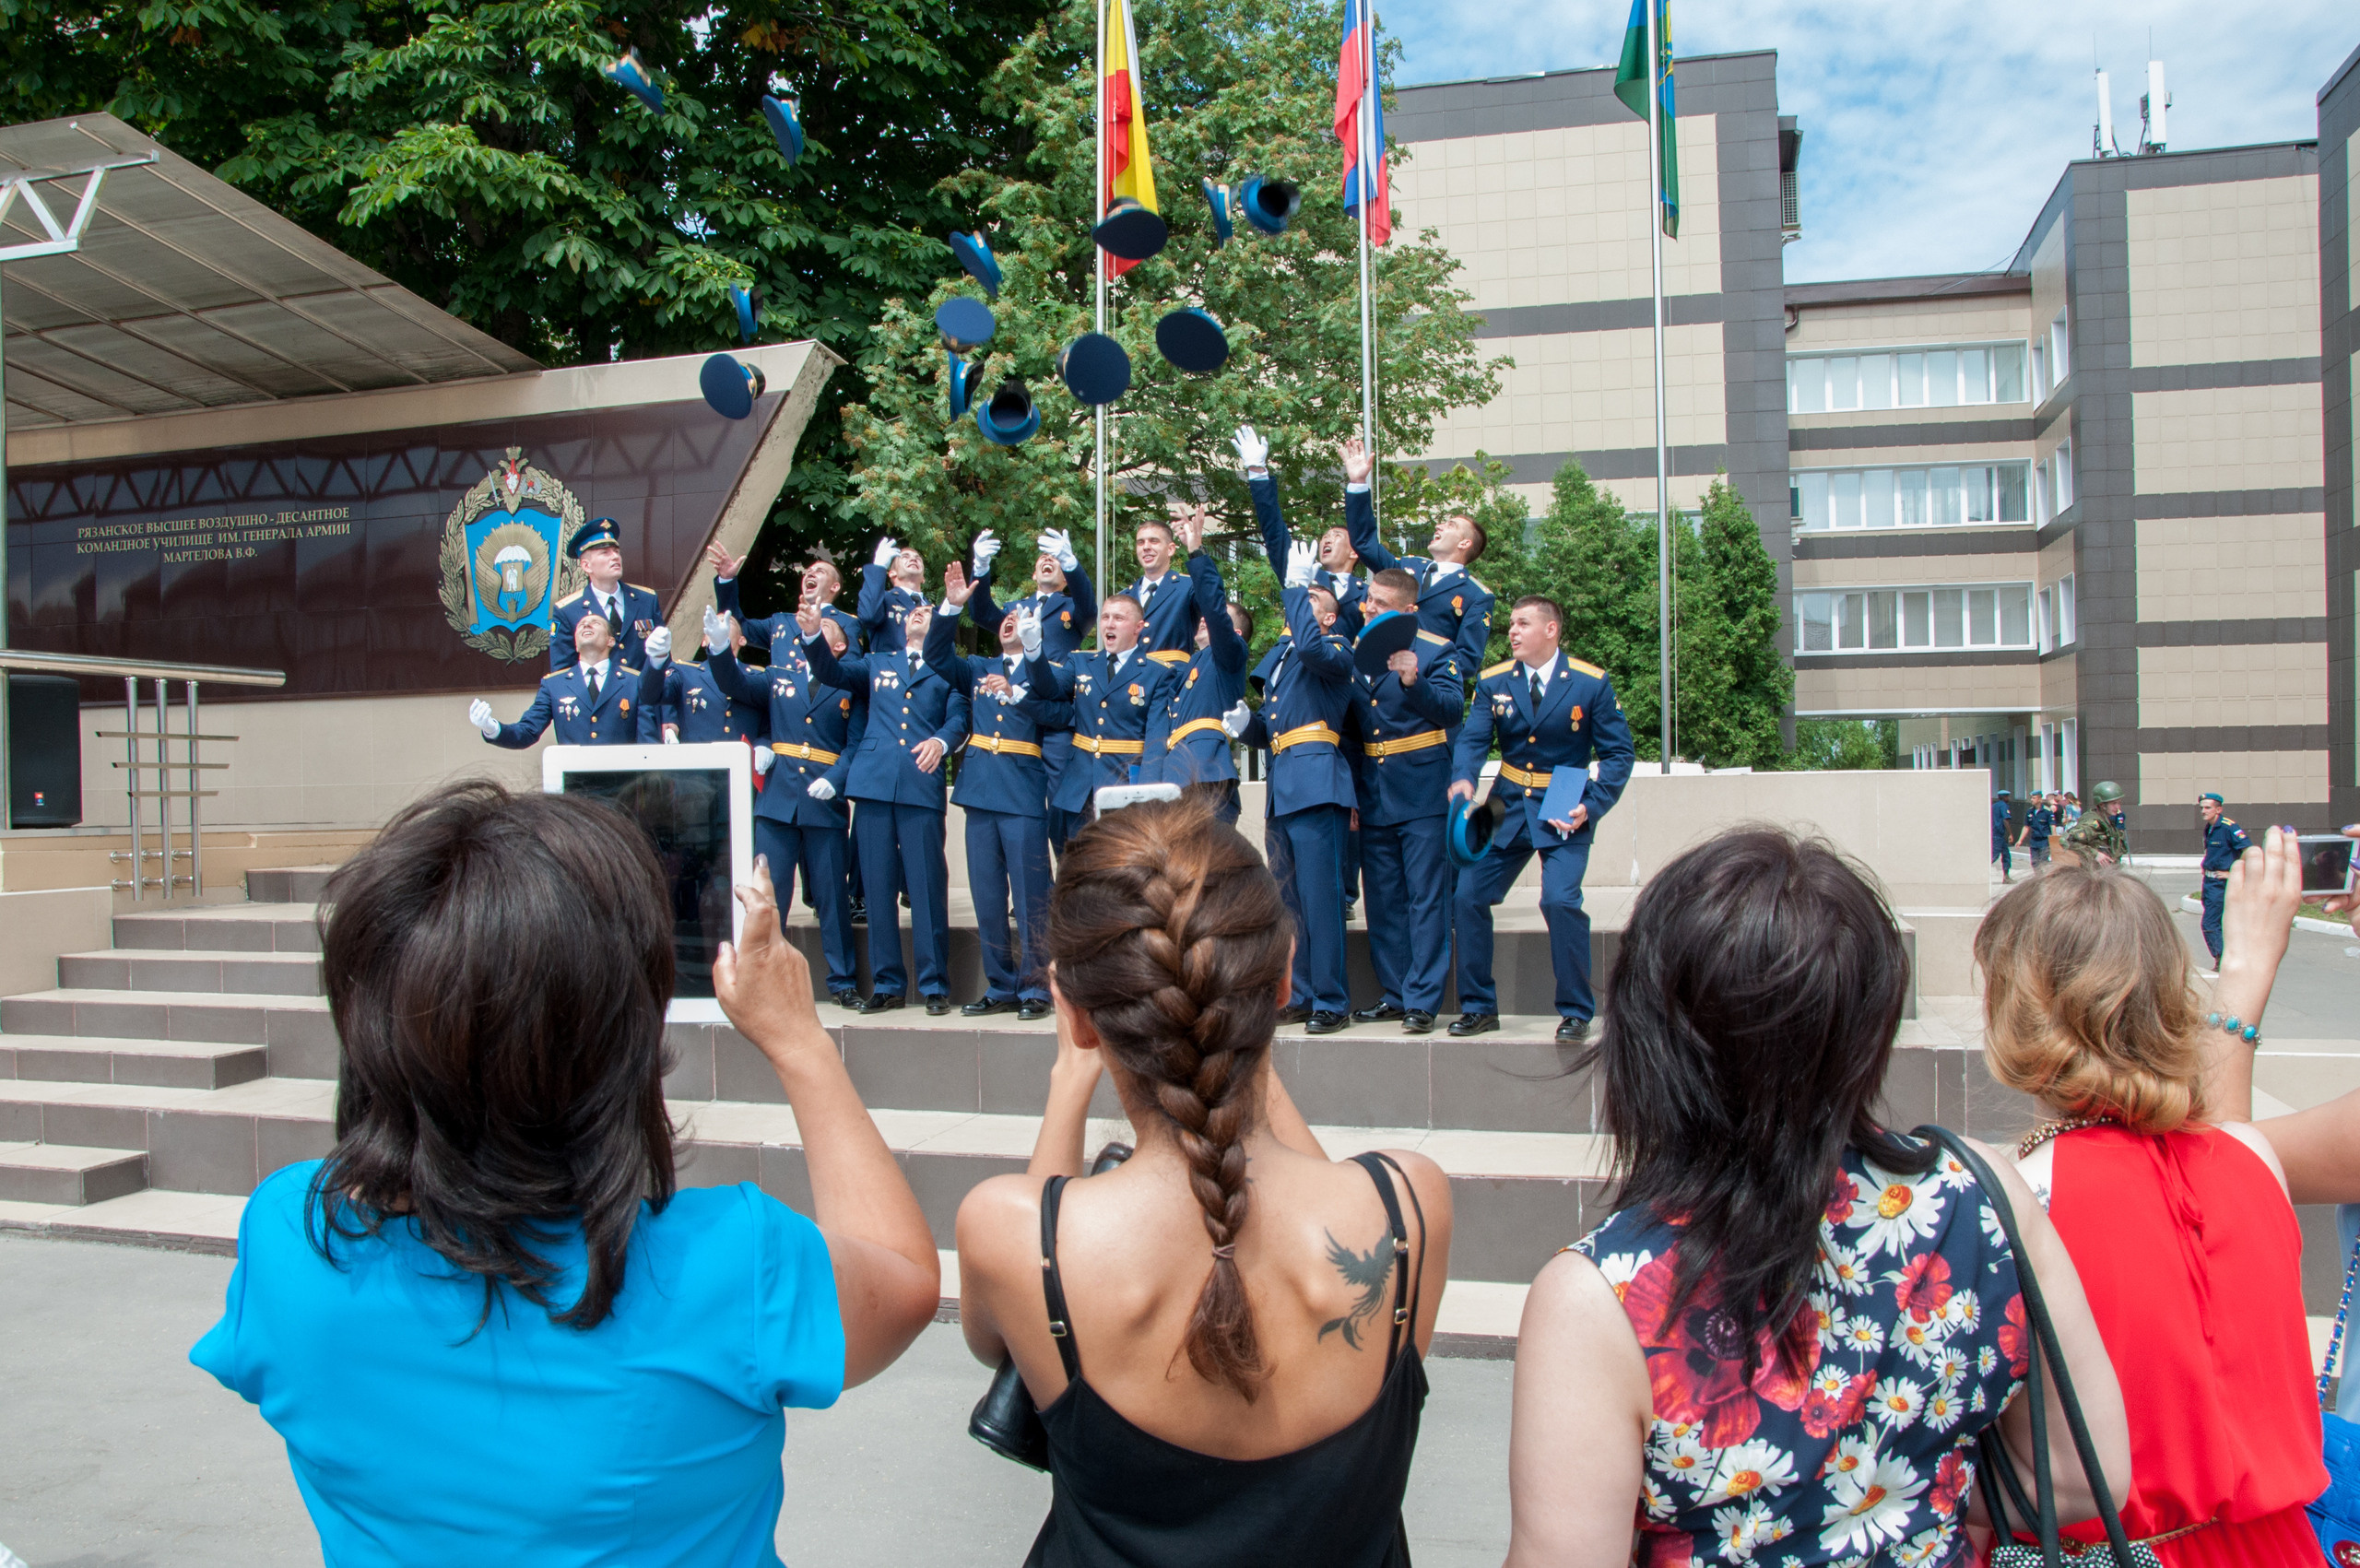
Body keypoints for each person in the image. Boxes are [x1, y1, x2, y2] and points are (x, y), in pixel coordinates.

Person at [190, 782, 938, 1564]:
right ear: (621, 1038)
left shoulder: (291, 1237)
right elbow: (904, 1279)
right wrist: (800, 1041)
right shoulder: (727, 1263)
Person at [1504, 828, 2129, 1568]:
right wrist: (1894, 1493)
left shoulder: (1601, 1296)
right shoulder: (1984, 1198)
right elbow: (2083, 1476)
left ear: (1654, 1041)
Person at [954, 796, 1454, 1568]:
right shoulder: (1408, 1205)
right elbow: (1322, 1193)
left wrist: (1070, 1073)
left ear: (1079, 1014)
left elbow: (1008, 1332)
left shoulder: (1007, 1230)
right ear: (1285, 977)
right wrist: (1236, 1033)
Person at [1977, 831, 2327, 1568]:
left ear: (2017, 1017)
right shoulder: (2250, 1157)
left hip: (2115, 1551)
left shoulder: (2021, 1192)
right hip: (2280, 1545)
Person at [1449, 596, 1634, 1043]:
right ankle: (1478, 1007)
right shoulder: (1493, 681)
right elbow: (1473, 740)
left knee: (1559, 901)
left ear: (1551, 630)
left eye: (1523, 623)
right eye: (1511, 624)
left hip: (1565, 796)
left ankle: (1575, 1010)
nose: (1511, 631)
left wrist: (1592, 804)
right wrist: (1463, 780)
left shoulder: (1590, 683)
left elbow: (1618, 754)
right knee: (1467, 896)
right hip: (1506, 800)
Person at [1238, 454, 1361, 1034]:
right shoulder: (1285, 662)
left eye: (1312, 599)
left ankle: (1332, 999)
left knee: (1320, 900)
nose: (1300, 602)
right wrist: (1246, 724)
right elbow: (1274, 729)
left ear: (1330, 616)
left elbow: (1311, 646)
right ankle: (1302, 993)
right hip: (1285, 782)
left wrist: (1298, 598)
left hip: (1318, 781)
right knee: (1287, 903)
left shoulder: (1336, 650)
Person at [800, 599, 971, 1015]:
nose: (917, 613)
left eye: (928, 611)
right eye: (912, 610)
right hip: (874, 783)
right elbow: (832, 672)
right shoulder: (878, 663)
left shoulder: (949, 667)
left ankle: (933, 986)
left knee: (927, 885)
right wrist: (811, 638)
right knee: (877, 889)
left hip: (918, 781)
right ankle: (888, 983)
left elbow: (960, 717)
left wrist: (941, 742)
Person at [926, 563, 1067, 1020]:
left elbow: (1060, 710)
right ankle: (1001, 985)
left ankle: (1035, 988)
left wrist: (1022, 680)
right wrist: (950, 608)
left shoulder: (1045, 671)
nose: (1011, 617)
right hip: (981, 792)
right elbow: (935, 656)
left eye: (1022, 615)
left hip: (1023, 792)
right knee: (987, 900)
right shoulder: (977, 668)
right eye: (1006, 615)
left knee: (1031, 898)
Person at [707, 607, 866, 1008]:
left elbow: (855, 744)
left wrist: (838, 778)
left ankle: (842, 979)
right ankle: (758, 980)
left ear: (840, 645)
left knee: (831, 898)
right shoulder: (779, 675)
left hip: (823, 802)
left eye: (826, 627)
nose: (810, 628)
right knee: (766, 897)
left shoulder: (849, 686)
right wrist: (722, 648)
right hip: (778, 801)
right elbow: (735, 683)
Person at [1345, 569, 1464, 1035]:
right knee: (1383, 900)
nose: (1370, 607)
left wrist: (1417, 683)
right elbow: (1354, 735)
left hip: (1422, 791)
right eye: (1369, 600)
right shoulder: (1356, 655)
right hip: (1374, 793)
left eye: (1381, 603)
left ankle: (1422, 999)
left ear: (1409, 611)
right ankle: (1395, 993)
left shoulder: (1436, 649)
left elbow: (1453, 710)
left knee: (1426, 898)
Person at [969, 526, 1098, 859]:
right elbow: (981, 613)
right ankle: (1034, 885)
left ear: (1065, 577)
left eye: (1054, 559)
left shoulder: (1072, 605)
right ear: (1032, 573)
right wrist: (980, 568)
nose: (1047, 560)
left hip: (1053, 707)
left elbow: (1089, 606)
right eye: (1043, 557)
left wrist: (1071, 562)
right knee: (1017, 801)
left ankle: (1068, 874)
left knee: (1059, 803)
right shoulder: (1016, 607)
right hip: (1015, 708)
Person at [1324, 433, 1494, 674]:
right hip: (1378, 677)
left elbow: (1467, 660)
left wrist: (1419, 672)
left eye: (1451, 525)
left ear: (1465, 543)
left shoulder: (1476, 595)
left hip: (1423, 689)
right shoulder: (1408, 568)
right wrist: (1358, 483)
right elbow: (1364, 543)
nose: (1439, 526)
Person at [1022, 595, 1184, 827]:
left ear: (1139, 627)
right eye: (1105, 617)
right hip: (1078, 787)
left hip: (1124, 786)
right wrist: (1033, 650)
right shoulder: (1080, 662)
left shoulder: (1157, 673)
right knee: (1074, 858)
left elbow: (1156, 738)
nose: (1109, 624)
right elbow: (1049, 688)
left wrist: (1147, 794)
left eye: (1119, 618)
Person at [1141, 504, 1251, 824]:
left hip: (1206, 769)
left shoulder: (1229, 655)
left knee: (1210, 868)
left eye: (1218, 621)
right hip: (1177, 772)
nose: (1205, 620)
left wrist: (1196, 551)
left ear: (1237, 633)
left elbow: (1215, 610)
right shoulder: (1189, 666)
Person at [470, 612, 657, 748]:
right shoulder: (554, 685)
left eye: (595, 623)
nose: (586, 625)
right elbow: (527, 731)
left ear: (610, 641)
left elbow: (647, 740)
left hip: (623, 788)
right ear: (575, 644)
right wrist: (492, 728)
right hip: (574, 790)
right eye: (582, 624)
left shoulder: (634, 681)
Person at [707, 544, 865, 655]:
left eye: (820, 571)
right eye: (808, 571)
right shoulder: (780, 621)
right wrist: (726, 581)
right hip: (781, 701)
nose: (810, 573)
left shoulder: (847, 622)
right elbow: (737, 626)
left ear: (835, 587)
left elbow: (847, 670)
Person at [552, 518, 661, 672]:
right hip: (598, 695)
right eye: (605, 553)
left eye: (616, 551)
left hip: (643, 694)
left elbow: (662, 657)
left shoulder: (646, 600)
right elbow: (562, 672)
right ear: (586, 565)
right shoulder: (568, 611)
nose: (615, 557)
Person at [639, 615, 765, 747]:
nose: (718, 626)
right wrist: (656, 660)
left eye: (727, 622)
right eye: (712, 624)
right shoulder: (684, 672)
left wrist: (765, 745)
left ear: (742, 640)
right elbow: (650, 695)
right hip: (700, 764)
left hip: (743, 764)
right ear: (704, 641)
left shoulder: (759, 676)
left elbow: (770, 721)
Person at [1119, 510, 1204, 655]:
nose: (1146, 547)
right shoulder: (1124, 596)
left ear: (1170, 549)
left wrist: (1196, 550)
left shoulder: (1188, 587)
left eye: (1154, 541)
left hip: (1172, 676)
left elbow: (1212, 598)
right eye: (1141, 542)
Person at [2196, 792, 2252, 976]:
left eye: (2208, 807)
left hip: (2222, 884)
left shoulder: (2229, 828)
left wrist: (2234, 873)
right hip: (2210, 881)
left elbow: (2248, 850)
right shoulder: (2209, 828)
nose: (2203, 811)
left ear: (2218, 809)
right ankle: (2227, 958)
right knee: (2219, 922)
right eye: (2202, 808)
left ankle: (2222, 958)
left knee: (2209, 923)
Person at [858, 536, 930, 652]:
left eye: (918, 558)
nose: (913, 559)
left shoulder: (934, 610)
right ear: (892, 573)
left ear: (923, 579)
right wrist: (878, 568)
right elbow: (868, 616)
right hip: (892, 668)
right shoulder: (883, 599)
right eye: (905, 557)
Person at [2061, 780, 2128, 866]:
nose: (2118, 807)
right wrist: (2095, 854)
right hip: (2093, 874)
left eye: (2119, 803)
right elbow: (2066, 840)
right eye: (2114, 803)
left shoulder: (2107, 821)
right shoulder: (2093, 822)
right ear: (2102, 805)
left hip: (2108, 872)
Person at [1316, 524, 1366, 636]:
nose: (1327, 541)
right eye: (1325, 537)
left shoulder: (1365, 593)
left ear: (1354, 552)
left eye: (1337, 536)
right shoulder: (1306, 579)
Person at [2016, 788, 2056, 870]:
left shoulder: (2047, 811)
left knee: (2043, 861)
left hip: (2044, 841)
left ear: (2040, 799)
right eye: (2031, 798)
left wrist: (2054, 841)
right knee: (2034, 863)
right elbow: (2026, 827)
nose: (2032, 800)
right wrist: (2020, 840)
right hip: (2034, 841)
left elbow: (2052, 826)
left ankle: (2047, 877)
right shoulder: (2030, 811)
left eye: (2034, 798)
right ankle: (2038, 877)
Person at [1992, 788, 2015, 879]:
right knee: (1994, 855)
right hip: (1998, 834)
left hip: (1994, 833)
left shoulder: (1994, 806)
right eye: (2008, 796)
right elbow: (2005, 820)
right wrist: (2010, 834)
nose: (2009, 798)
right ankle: (1980, 870)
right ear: (2004, 797)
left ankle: (2006, 876)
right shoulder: (2003, 806)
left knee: (2006, 854)